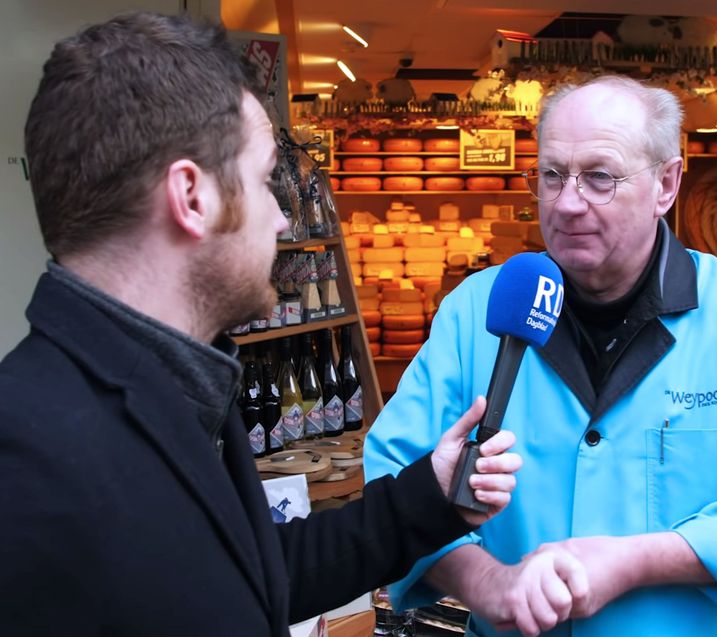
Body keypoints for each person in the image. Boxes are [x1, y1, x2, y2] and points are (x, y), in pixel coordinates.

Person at [0, 12, 522, 635]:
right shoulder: (31, 471)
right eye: (264, 180)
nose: (280, 218)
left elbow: (248, 572)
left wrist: (427, 498)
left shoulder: (173, 388)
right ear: (192, 198)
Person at [364, 74, 717, 637]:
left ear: (667, 185)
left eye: (600, 178)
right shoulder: (472, 315)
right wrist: (486, 583)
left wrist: (637, 561)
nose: (568, 203)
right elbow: (391, 476)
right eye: (551, 175)